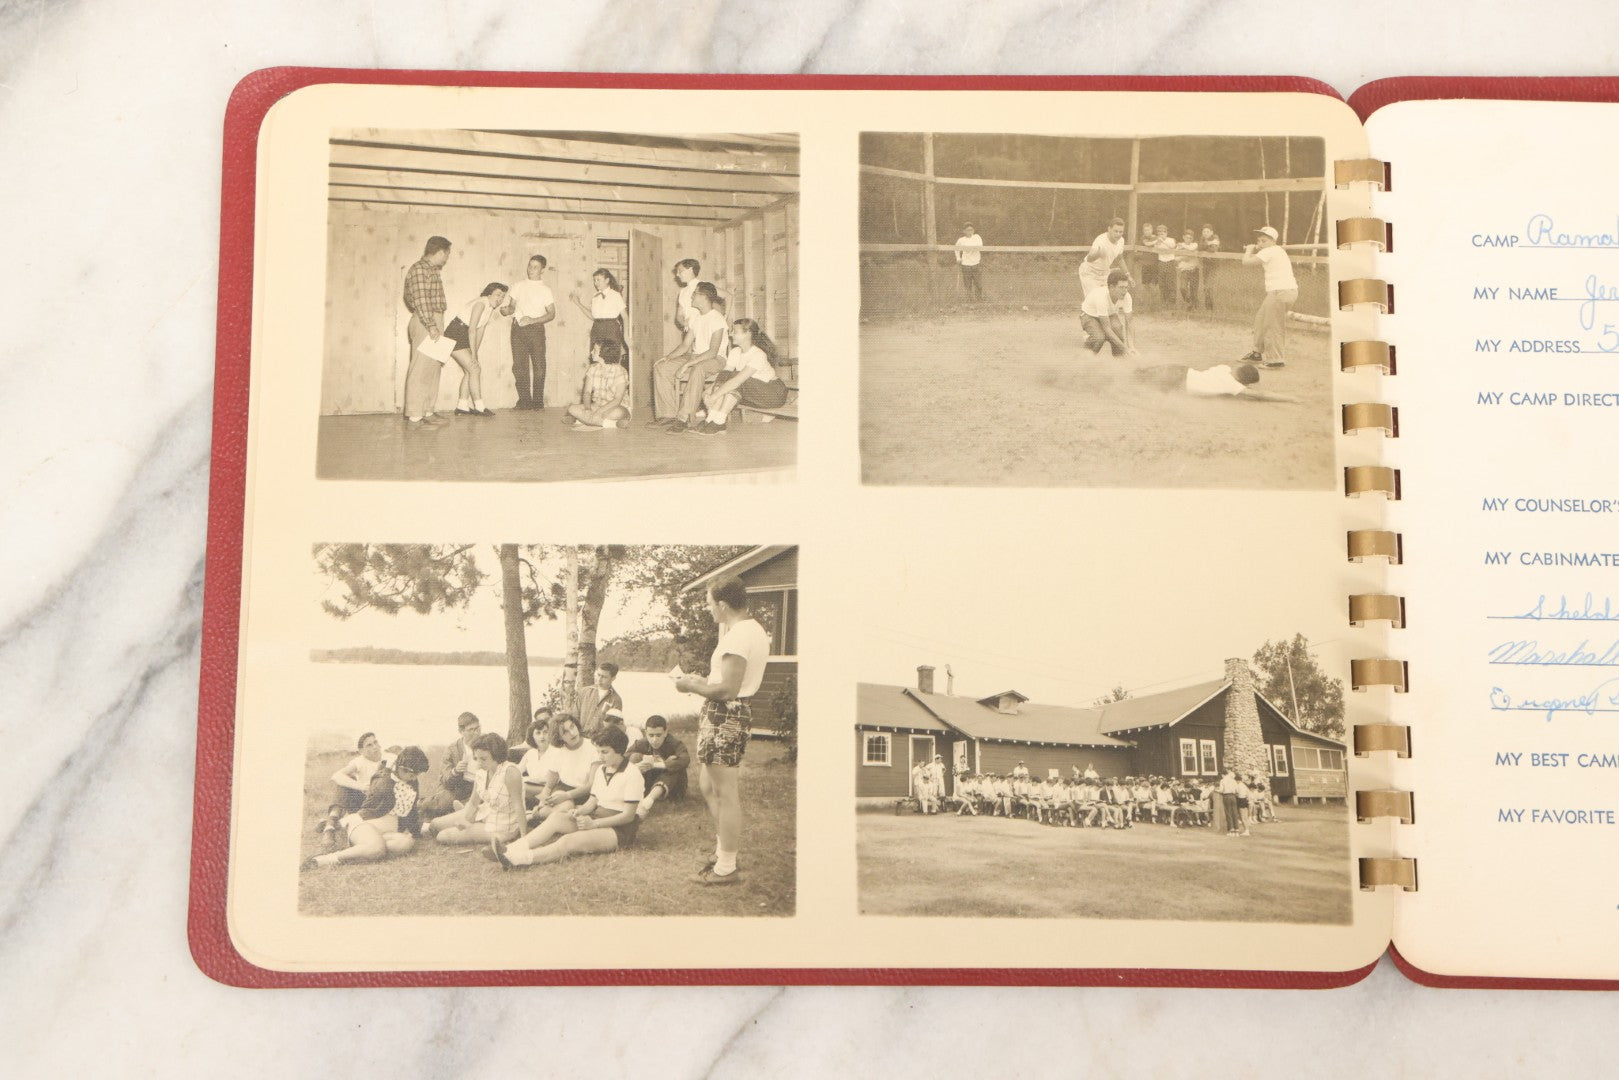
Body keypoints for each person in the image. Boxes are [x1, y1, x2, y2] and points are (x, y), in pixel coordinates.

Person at [673, 575, 770, 886]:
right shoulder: (748, 631)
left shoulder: (738, 637)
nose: (709, 609)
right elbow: (726, 683)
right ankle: (723, 848)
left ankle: (726, 865)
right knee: (707, 784)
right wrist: (700, 681)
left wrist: (690, 685)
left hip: (724, 716)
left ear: (724, 605)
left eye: (710, 604)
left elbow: (728, 690)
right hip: (725, 713)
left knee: (726, 793)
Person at [493, 726, 645, 869]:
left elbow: (628, 816)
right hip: (596, 817)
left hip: (619, 830)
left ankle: (518, 859)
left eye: (605, 752)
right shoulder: (601, 770)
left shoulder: (632, 774)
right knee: (557, 817)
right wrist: (579, 812)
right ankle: (511, 849)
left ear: (619, 750)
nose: (600, 756)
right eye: (598, 752)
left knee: (568, 841)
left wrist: (595, 824)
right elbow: (592, 802)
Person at [305, 746, 429, 869]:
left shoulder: (412, 783)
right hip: (365, 824)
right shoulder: (384, 780)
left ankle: (362, 848)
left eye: (417, 774)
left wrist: (416, 832)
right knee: (377, 848)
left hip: (388, 832)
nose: (415, 778)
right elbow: (372, 800)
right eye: (413, 774)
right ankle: (325, 859)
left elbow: (411, 810)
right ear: (402, 769)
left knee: (406, 843)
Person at [650, 282, 729, 430]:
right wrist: (668, 357)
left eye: (695, 293)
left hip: (715, 359)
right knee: (662, 367)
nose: (691, 296)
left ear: (704, 297)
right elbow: (685, 345)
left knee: (698, 368)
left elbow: (712, 351)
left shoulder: (717, 319)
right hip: (695, 356)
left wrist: (687, 364)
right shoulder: (696, 318)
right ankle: (667, 415)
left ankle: (684, 418)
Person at [426, 733, 527, 847]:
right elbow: (474, 803)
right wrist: (466, 820)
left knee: (442, 836)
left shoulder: (510, 772)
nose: (479, 763)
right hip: (483, 814)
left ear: (497, 756)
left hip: (502, 826)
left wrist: (524, 839)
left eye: (483, 759)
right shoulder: (481, 772)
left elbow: (519, 806)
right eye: (476, 758)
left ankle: (470, 824)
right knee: (435, 824)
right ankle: (422, 829)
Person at [690, 318, 787, 435]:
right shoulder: (735, 352)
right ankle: (711, 420)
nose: (731, 334)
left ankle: (719, 421)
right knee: (727, 380)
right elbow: (724, 376)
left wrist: (714, 396)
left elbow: (736, 381)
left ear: (748, 334)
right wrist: (709, 391)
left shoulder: (758, 354)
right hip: (753, 391)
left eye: (734, 331)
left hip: (773, 394)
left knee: (735, 380)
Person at [401, 235, 452, 430]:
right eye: (446, 254)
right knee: (420, 369)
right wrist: (431, 325)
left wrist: (436, 323)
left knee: (433, 368)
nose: (446, 259)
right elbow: (421, 300)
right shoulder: (420, 270)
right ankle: (415, 416)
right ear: (440, 252)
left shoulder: (432, 270)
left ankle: (428, 411)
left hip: (434, 319)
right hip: (426, 321)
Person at [442, 282, 507, 417]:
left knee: (470, 370)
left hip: (464, 334)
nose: (500, 299)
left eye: (503, 297)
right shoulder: (481, 303)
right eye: (498, 295)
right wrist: (474, 356)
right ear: (489, 294)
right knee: (475, 369)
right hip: (456, 332)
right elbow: (472, 329)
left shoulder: (490, 307)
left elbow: (480, 329)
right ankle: (479, 406)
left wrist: (474, 352)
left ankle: (462, 406)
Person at [525, 714, 601, 822]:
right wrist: (542, 802)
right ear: (559, 736)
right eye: (565, 732)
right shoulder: (558, 751)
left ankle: (533, 816)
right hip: (562, 789)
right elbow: (549, 786)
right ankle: (541, 813)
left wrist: (566, 796)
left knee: (565, 808)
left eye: (572, 726)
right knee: (561, 807)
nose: (572, 733)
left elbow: (591, 784)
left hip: (585, 793)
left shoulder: (593, 748)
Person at [1241, 225, 1298, 368]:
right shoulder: (1273, 250)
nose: (1260, 243)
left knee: (1273, 325)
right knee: (1261, 319)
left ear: (1273, 241)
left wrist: (1248, 250)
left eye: (1264, 240)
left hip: (1282, 292)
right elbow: (1256, 258)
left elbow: (1246, 262)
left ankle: (1276, 360)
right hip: (1277, 292)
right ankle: (1256, 353)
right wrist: (1254, 250)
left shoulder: (1270, 251)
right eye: (1259, 240)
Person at [507, 254, 556, 409]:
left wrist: (532, 320)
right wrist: (505, 310)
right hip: (517, 330)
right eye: (529, 266)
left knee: (539, 366)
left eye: (535, 267)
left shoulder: (545, 290)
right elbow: (511, 307)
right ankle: (524, 401)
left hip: (536, 330)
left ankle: (537, 402)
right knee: (519, 367)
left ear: (542, 270)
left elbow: (551, 314)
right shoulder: (518, 286)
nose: (531, 270)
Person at [419, 712, 483, 820]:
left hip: (479, 786)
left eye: (477, 728)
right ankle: (421, 805)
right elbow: (445, 780)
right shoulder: (452, 750)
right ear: (461, 731)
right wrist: (456, 771)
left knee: (482, 802)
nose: (476, 733)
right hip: (458, 788)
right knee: (444, 802)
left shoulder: (486, 745)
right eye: (471, 730)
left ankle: (458, 812)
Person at [1133, 361, 1298, 402]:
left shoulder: (1224, 368)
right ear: (1245, 383)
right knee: (1140, 383)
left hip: (1182, 370)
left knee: (1139, 375)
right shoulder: (1233, 386)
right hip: (1179, 382)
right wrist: (1290, 398)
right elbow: (1261, 395)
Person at [629, 714, 691, 821]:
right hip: (649, 785)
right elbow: (622, 758)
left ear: (666, 732)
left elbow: (685, 759)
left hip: (674, 789)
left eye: (658, 735)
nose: (654, 740)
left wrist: (659, 765)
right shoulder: (642, 743)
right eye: (651, 735)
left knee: (674, 763)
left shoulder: (674, 743)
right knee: (634, 756)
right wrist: (636, 767)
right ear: (645, 733)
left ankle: (647, 803)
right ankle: (631, 797)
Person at [564, 340, 631, 430]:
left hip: (615, 407)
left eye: (594, 350)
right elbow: (587, 393)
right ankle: (612, 424)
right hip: (597, 405)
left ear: (604, 353)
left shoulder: (620, 371)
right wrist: (588, 409)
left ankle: (583, 420)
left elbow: (617, 400)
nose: (591, 352)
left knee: (618, 413)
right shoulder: (592, 369)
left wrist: (598, 412)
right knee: (571, 408)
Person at [327, 731, 393, 815]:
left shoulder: (391, 757)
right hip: (364, 801)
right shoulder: (359, 761)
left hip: (386, 801)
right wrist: (363, 787)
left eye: (375, 742)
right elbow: (336, 776)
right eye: (369, 745)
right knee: (344, 781)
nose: (375, 746)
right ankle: (333, 819)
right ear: (361, 751)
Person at [569, 268, 627, 355]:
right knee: (596, 359)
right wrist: (578, 303)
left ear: (607, 280)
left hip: (611, 329)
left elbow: (625, 317)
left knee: (610, 361)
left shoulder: (615, 295)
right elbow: (593, 317)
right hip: (596, 329)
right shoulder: (595, 296)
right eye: (594, 280)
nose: (596, 283)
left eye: (598, 280)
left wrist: (626, 336)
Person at [1081, 268, 1135, 357]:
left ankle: (1119, 361)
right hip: (1089, 316)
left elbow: (1129, 323)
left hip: (1109, 314)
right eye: (1121, 287)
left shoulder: (1127, 296)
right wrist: (1125, 348)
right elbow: (1107, 329)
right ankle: (1085, 358)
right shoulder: (1101, 297)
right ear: (1111, 287)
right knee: (1099, 337)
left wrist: (1132, 347)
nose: (1124, 291)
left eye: (1126, 287)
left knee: (1118, 330)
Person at [1078, 218, 1129, 302]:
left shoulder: (1121, 241)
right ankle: (1085, 315)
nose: (1118, 234)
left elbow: (1120, 258)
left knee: (1108, 299)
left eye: (1121, 232)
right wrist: (1099, 254)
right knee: (1093, 300)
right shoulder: (1100, 240)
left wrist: (1128, 274)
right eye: (1115, 231)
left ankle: (1108, 315)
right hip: (1090, 272)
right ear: (1109, 229)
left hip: (1104, 273)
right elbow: (1090, 259)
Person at [575, 662, 624, 738]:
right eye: (598, 675)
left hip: (598, 742)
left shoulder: (616, 700)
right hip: (579, 738)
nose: (599, 679)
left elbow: (613, 728)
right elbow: (574, 716)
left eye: (604, 677)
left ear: (613, 678)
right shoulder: (584, 692)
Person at [955, 223, 984, 301]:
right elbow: (956, 248)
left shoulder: (977, 237)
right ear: (964, 231)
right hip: (966, 264)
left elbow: (980, 246)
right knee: (967, 284)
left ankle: (979, 299)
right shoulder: (961, 240)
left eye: (971, 230)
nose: (970, 232)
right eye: (968, 230)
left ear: (973, 230)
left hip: (976, 263)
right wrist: (958, 258)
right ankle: (969, 300)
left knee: (978, 284)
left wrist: (973, 248)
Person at [672, 258, 701, 335]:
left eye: (680, 271)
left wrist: (726, 317)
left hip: (703, 330)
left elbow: (728, 296)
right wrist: (685, 323)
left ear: (690, 269)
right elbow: (679, 315)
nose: (677, 275)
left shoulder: (703, 286)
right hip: (689, 331)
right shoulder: (683, 292)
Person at [1152, 224, 1179, 306]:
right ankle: (1164, 302)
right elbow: (1155, 250)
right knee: (1162, 283)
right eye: (1159, 233)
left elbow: (1172, 247)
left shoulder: (1171, 240)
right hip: (1161, 262)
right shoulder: (1157, 241)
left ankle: (1172, 303)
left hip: (1170, 262)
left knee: (1170, 282)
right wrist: (1157, 242)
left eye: (1163, 233)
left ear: (1166, 233)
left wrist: (1163, 241)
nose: (1161, 234)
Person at [1197, 223, 1222, 310]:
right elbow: (1199, 247)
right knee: (1205, 287)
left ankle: (1211, 307)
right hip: (1206, 265)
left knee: (1209, 286)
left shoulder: (1215, 237)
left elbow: (1213, 249)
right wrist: (1208, 244)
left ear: (1211, 232)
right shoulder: (1202, 238)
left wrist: (1207, 245)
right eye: (1204, 232)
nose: (1205, 233)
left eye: (1207, 232)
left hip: (1214, 265)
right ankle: (1208, 307)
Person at [1175, 229, 1202, 308]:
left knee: (1194, 291)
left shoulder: (1194, 245)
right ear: (1183, 237)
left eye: (1190, 238)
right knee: (1182, 288)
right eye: (1187, 237)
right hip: (1184, 270)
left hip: (1194, 270)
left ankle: (1194, 307)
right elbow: (1175, 258)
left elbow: (1191, 249)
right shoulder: (1178, 246)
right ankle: (1189, 301)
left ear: (1192, 239)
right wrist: (1183, 257)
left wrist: (1183, 247)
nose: (1188, 239)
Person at [1218, 768, 1242, 836]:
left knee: (1228, 812)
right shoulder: (1233, 780)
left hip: (1226, 796)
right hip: (1233, 796)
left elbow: (1221, 790)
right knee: (1234, 812)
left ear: (1222, 774)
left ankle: (1231, 830)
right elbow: (1237, 790)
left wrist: (1218, 790)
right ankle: (1236, 829)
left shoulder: (1222, 780)